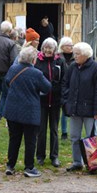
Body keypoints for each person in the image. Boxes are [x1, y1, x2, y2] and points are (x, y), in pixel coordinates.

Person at [4, 46, 51, 178]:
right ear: (33, 60)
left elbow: (7, 82)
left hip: (12, 109)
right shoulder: (36, 74)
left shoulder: (13, 69)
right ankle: (29, 167)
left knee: (14, 139)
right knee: (30, 140)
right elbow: (47, 87)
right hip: (30, 110)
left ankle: (10, 165)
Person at [62, 42, 97, 172]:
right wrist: (66, 100)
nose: (75, 56)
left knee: (92, 137)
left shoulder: (96, 68)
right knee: (74, 137)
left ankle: (93, 164)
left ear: (86, 55)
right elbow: (65, 83)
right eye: (74, 53)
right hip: (75, 108)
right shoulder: (73, 67)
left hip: (90, 110)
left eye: (77, 54)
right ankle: (77, 162)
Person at [34, 38, 67, 167]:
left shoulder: (60, 61)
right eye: (46, 47)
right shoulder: (37, 61)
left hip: (55, 101)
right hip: (41, 101)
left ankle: (54, 156)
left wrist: (62, 95)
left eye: (50, 48)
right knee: (41, 129)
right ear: (43, 49)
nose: (48, 50)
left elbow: (64, 80)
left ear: (55, 49)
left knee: (54, 129)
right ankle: (40, 156)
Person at [57, 36, 75, 139]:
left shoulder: (75, 57)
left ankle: (66, 132)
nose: (71, 47)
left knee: (66, 109)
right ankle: (63, 131)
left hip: (71, 86)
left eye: (72, 45)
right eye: (69, 45)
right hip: (59, 86)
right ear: (63, 46)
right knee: (60, 108)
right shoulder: (58, 58)